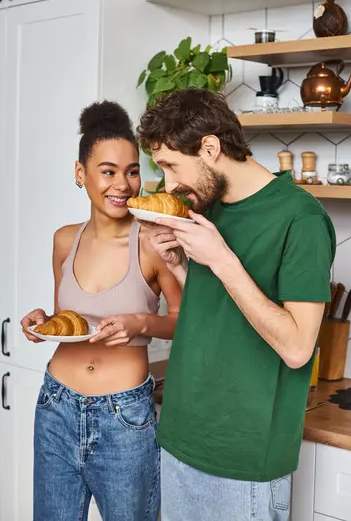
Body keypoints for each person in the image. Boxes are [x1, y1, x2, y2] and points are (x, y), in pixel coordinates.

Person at [137, 88, 336, 521]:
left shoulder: (300, 219)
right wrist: (181, 266)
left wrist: (222, 259)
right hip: (178, 439)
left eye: (171, 166)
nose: (168, 185)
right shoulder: (208, 206)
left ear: (210, 147)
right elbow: (219, 313)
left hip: (241, 461)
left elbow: (299, 347)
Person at [20, 101, 181, 521]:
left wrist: (140, 323)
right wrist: (41, 322)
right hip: (56, 405)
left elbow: (187, 323)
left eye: (131, 171)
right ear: (81, 174)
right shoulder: (63, 240)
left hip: (124, 418)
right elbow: (66, 319)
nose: (123, 184)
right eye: (108, 171)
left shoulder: (153, 241)